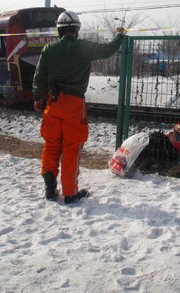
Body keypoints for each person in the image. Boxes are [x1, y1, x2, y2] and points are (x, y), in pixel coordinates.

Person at [33, 10, 125, 204]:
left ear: (59, 30)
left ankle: (50, 190)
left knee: (51, 146)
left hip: (53, 102)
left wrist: (37, 97)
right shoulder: (83, 47)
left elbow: (39, 76)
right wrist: (119, 35)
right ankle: (70, 193)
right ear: (77, 29)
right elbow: (108, 49)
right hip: (74, 105)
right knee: (71, 149)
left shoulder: (49, 49)